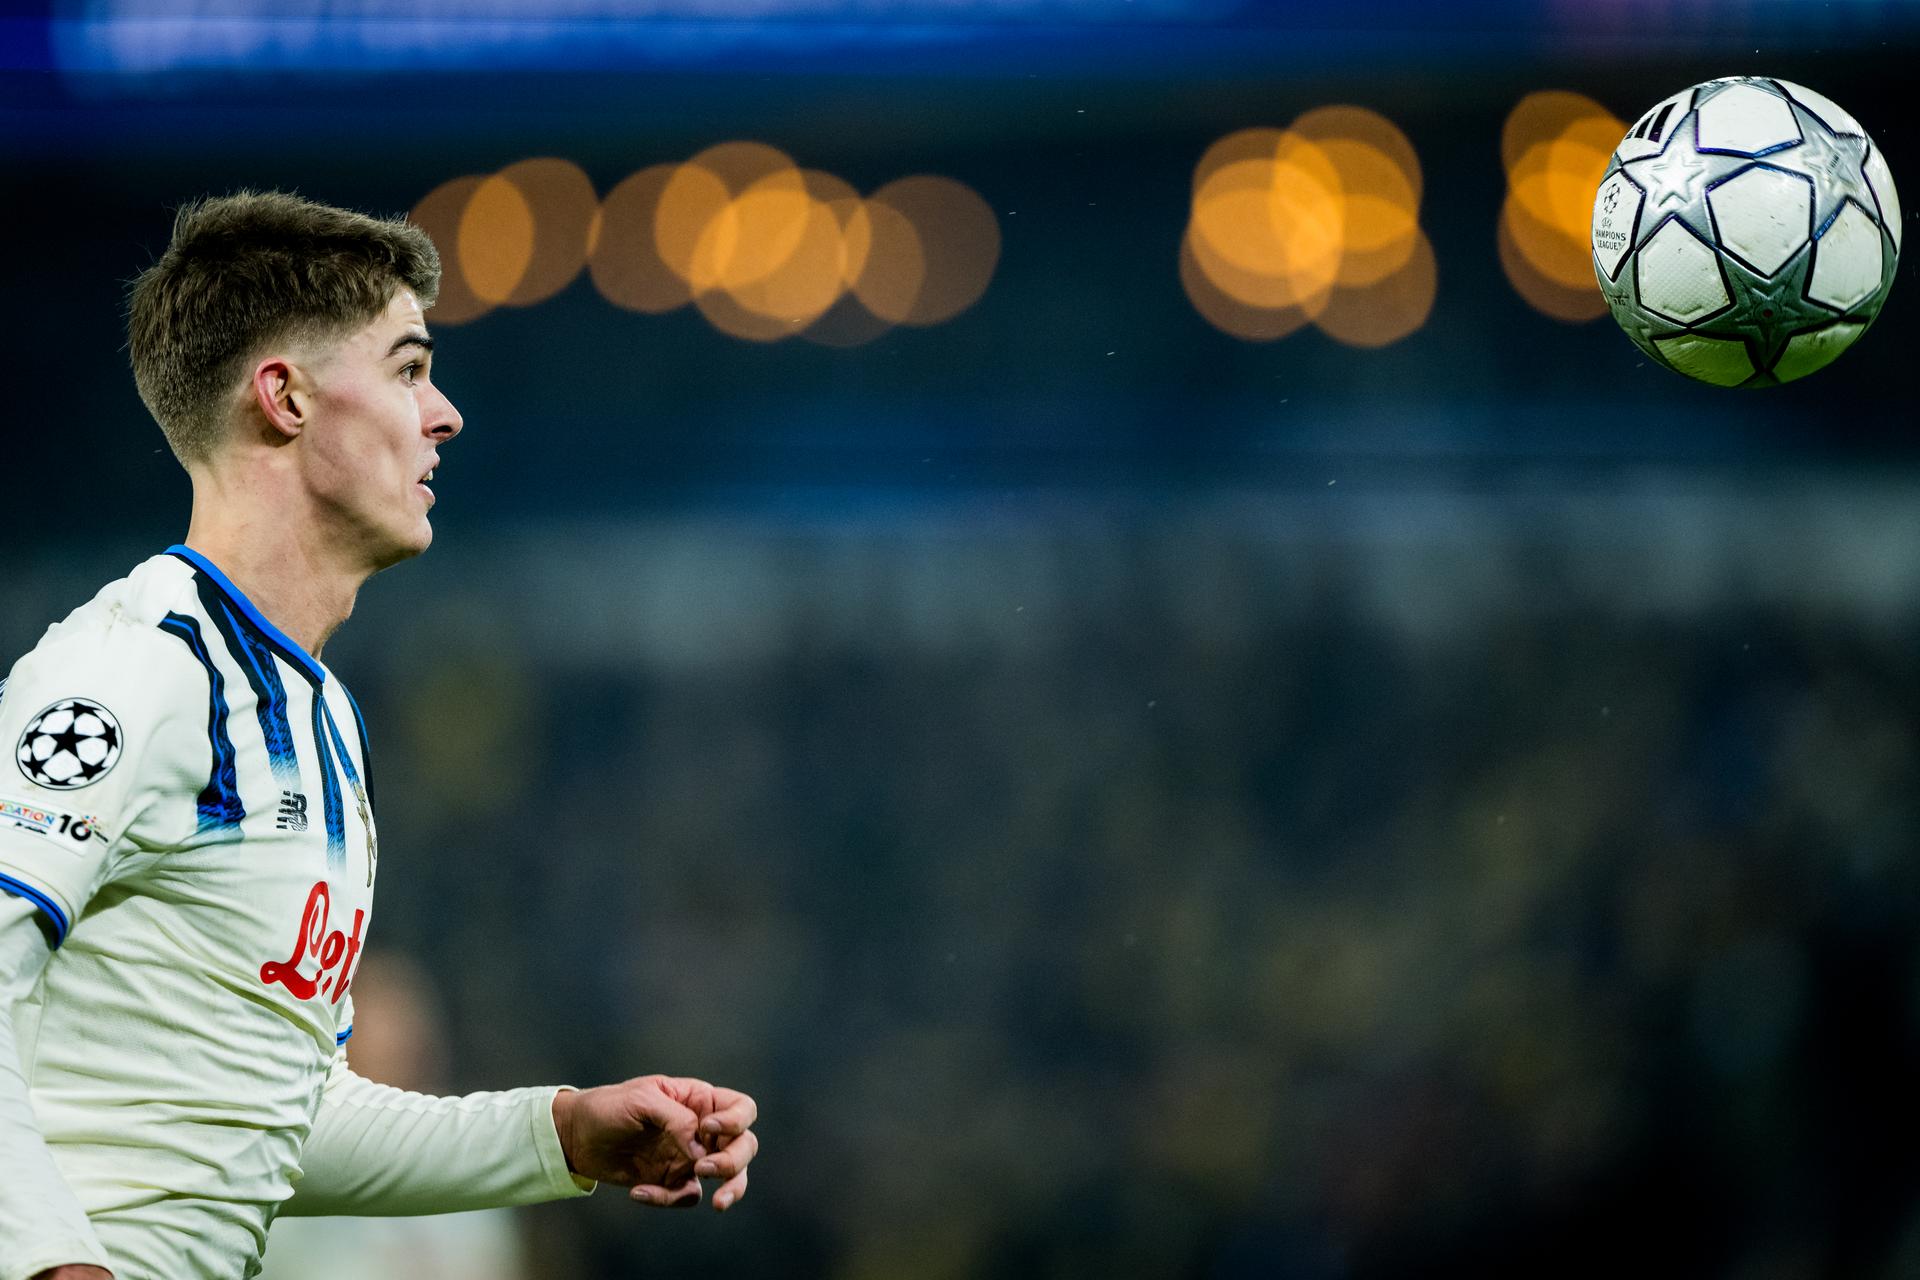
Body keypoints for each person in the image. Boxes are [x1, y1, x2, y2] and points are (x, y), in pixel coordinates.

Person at [0, 191, 759, 1280]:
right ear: (286, 395)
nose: (443, 413)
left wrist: (562, 1133)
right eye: (408, 368)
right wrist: (54, 1264)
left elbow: (269, 1122)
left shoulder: (319, 722)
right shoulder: (132, 669)